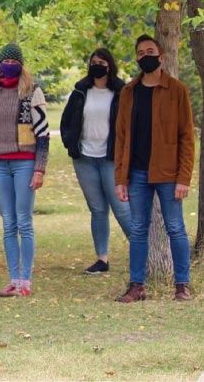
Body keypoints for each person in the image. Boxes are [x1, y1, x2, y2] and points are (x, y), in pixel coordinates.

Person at [114, 35, 194, 302]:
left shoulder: (177, 90)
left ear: (161, 57)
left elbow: (186, 138)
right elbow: (121, 137)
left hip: (169, 173)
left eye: (150, 51)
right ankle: (137, 286)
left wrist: (184, 177)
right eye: (140, 52)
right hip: (136, 172)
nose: (144, 55)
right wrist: (120, 178)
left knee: (175, 227)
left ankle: (182, 285)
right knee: (138, 229)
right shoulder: (128, 93)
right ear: (136, 58)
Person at [0, 44, 49, 297]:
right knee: (8, 223)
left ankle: (26, 281)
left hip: (25, 162)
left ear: (21, 65)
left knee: (24, 221)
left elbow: (43, 134)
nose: (9, 64)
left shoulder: (32, 92)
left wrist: (39, 168)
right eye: (5, 60)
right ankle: (13, 279)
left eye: (14, 60)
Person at [60, 49, 131, 274]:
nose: (96, 66)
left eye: (101, 62)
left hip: (111, 159)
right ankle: (102, 259)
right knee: (98, 209)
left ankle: (144, 253)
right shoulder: (81, 91)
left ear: (109, 66)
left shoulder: (121, 92)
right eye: (93, 62)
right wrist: (70, 143)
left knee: (121, 209)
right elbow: (67, 121)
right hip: (85, 159)